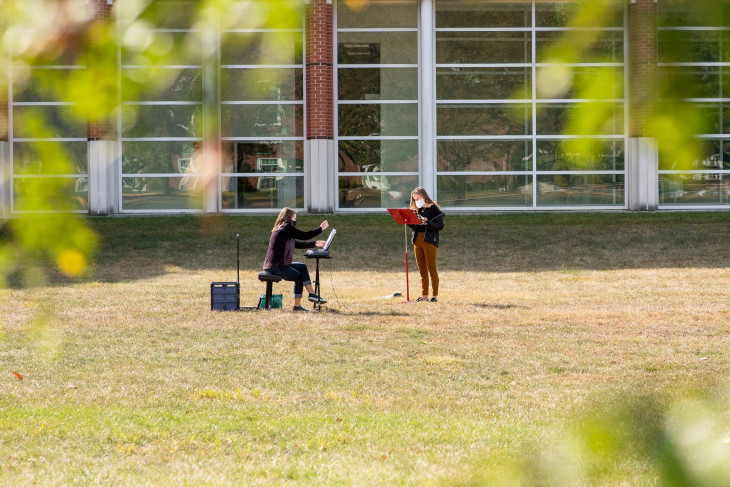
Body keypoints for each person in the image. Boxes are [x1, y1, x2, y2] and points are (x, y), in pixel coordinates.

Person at [263, 207, 329, 312]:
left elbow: (296, 243)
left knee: (302, 267)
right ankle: (298, 306)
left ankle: (312, 294)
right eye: (294, 217)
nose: (295, 220)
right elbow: (305, 235)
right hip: (276, 267)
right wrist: (320, 228)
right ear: (289, 218)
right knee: (299, 276)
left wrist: (315, 243)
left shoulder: (280, 228)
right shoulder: (286, 228)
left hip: (276, 265)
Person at [408, 187, 445, 302]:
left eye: (418, 198)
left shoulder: (433, 208)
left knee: (431, 269)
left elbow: (440, 226)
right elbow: (414, 226)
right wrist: (408, 220)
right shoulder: (417, 209)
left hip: (429, 240)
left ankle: (434, 296)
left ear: (423, 196)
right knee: (422, 269)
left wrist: (427, 221)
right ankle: (424, 296)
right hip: (417, 240)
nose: (416, 200)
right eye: (414, 199)